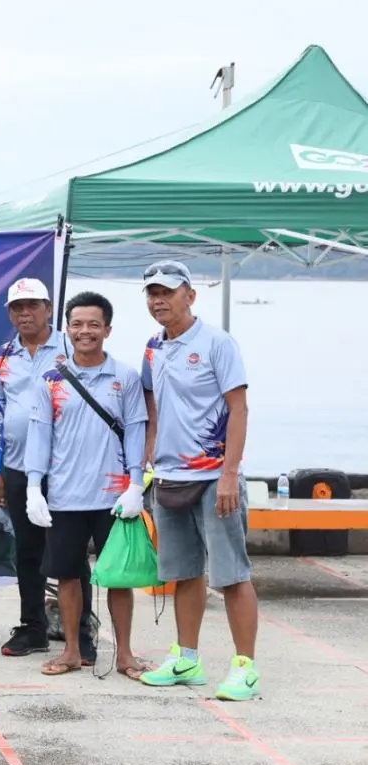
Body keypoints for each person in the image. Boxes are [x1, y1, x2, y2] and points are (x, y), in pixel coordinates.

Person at [135, 260, 260, 700]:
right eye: (152, 293)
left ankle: (245, 667)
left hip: (213, 477)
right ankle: (186, 658)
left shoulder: (217, 343)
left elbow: (239, 409)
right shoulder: (153, 347)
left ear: (190, 295)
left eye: (167, 292)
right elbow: (151, 407)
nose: (158, 301)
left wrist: (230, 472)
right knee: (184, 573)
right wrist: (147, 460)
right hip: (169, 477)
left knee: (230, 574)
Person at [23, 292, 148, 678]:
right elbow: (40, 435)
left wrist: (135, 484)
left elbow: (136, 432)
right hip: (64, 495)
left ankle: (125, 654)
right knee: (67, 575)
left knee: (119, 577)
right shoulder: (52, 380)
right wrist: (33, 486)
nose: (85, 331)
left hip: (113, 497)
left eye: (94, 324)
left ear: (107, 329)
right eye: (77, 324)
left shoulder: (125, 377)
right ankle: (73, 651)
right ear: (67, 329)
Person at [0, 279, 99, 662]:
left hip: (67, 468)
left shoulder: (72, 347)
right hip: (18, 466)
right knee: (28, 550)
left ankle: (81, 632)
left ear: (49, 309)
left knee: (71, 555)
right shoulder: (1, 357)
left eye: (33, 305)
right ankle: (32, 626)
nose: (25, 313)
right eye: (17, 307)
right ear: (9, 313)